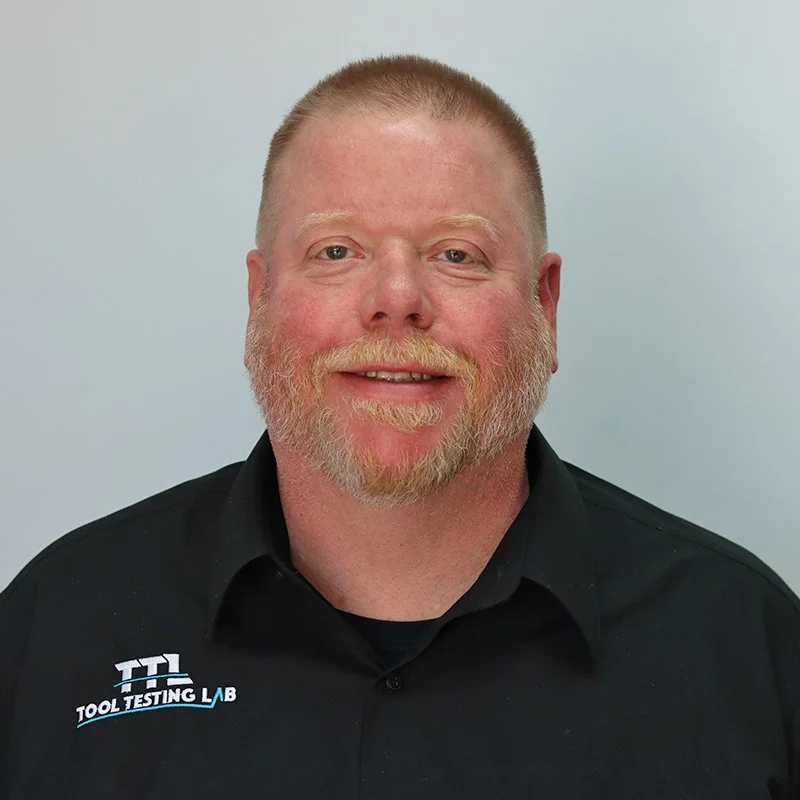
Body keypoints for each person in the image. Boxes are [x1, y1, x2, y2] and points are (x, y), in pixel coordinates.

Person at [1, 55, 798, 799]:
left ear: (545, 308)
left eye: (456, 255)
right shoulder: (57, 630)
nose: (395, 298)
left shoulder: (745, 651)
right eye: (336, 250)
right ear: (259, 295)